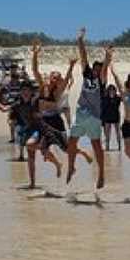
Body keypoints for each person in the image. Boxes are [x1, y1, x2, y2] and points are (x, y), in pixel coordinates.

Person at [32, 42, 87, 176]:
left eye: (56, 79)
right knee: (42, 148)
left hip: (55, 121)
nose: (54, 80)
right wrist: (35, 54)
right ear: (50, 77)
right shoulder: (42, 86)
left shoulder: (57, 92)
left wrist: (71, 66)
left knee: (66, 149)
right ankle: (58, 164)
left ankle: (83, 153)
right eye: (53, 77)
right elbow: (35, 71)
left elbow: (67, 79)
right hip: (43, 122)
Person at [67, 28, 112, 188]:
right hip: (81, 113)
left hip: (94, 116)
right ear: (93, 69)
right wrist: (80, 39)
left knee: (96, 145)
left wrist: (108, 55)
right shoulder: (87, 73)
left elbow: (106, 65)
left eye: (100, 69)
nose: (98, 70)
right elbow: (83, 55)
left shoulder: (102, 80)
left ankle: (101, 175)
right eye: (97, 68)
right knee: (71, 142)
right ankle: (71, 167)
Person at [0, 82, 43, 186]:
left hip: (39, 130)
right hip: (28, 131)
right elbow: (4, 109)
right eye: (23, 90)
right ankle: (32, 183)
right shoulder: (18, 104)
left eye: (27, 90)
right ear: (20, 92)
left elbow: (47, 109)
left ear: (31, 92)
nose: (25, 92)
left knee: (35, 151)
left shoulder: (36, 101)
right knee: (31, 157)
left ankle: (54, 161)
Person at [102, 84, 122, 151]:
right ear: (108, 91)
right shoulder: (105, 98)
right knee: (107, 133)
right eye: (110, 90)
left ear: (115, 90)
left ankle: (119, 146)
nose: (112, 91)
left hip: (116, 116)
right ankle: (107, 146)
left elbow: (124, 98)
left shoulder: (118, 98)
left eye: (113, 90)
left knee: (118, 132)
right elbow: (103, 108)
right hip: (107, 117)